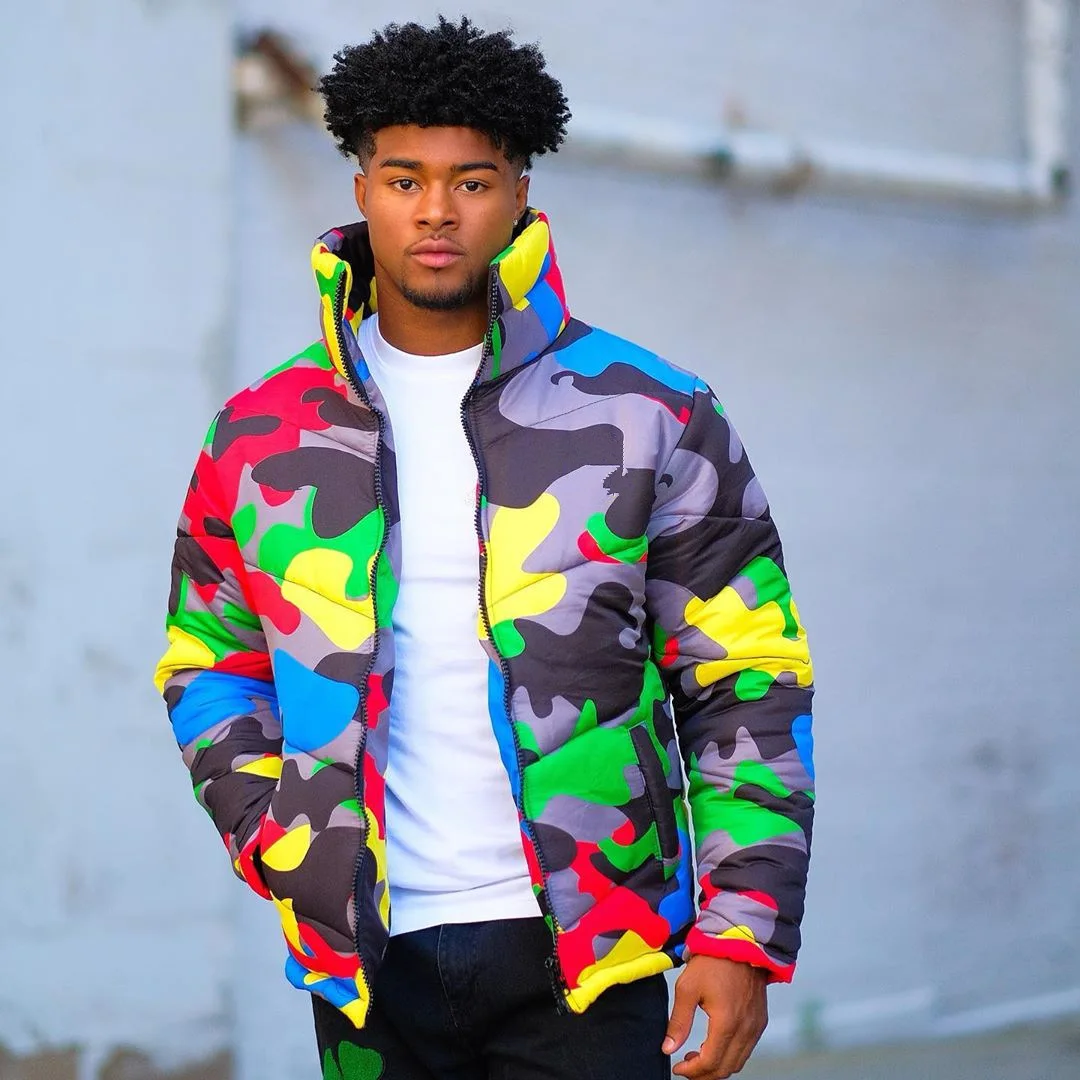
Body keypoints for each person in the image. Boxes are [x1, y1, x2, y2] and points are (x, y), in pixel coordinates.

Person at [154, 16, 815, 1080]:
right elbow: (209, 661)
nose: (435, 211)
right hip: (370, 959)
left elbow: (746, 677)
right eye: (404, 179)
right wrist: (275, 838)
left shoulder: (653, 412)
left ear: (518, 195)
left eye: (471, 181)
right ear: (362, 190)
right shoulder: (260, 433)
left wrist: (742, 931)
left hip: (590, 958)